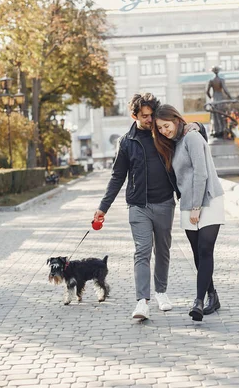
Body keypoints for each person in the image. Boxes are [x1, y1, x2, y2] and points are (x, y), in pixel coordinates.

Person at [93, 93, 206, 320]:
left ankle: (161, 292)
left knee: (163, 250)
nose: (149, 119)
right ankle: (142, 302)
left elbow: (194, 134)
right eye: (144, 116)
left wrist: (197, 125)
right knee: (142, 251)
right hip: (138, 205)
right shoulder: (126, 142)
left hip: (165, 203)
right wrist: (102, 207)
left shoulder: (164, 134)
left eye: (152, 115)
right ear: (134, 115)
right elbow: (117, 176)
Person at [153, 104, 225, 321]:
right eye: (161, 129)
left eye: (166, 126)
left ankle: (199, 301)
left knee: (205, 249)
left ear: (176, 119)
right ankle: (212, 295)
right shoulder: (174, 144)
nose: (165, 131)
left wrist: (196, 206)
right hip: (188, 204)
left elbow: (201, 173)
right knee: (196, 253)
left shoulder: (191, 137)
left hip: (209, 200)